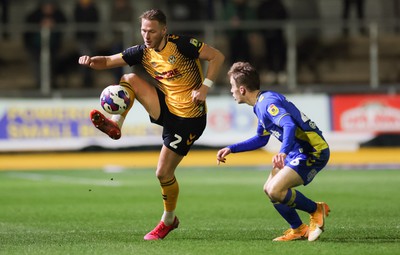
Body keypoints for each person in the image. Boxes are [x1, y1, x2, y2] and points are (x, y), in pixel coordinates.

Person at [78, 9, 225, 240]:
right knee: (129, 79)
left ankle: (169, 220)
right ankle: (116, 124)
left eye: (152, 31)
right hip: (166, 107)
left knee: (163, 173)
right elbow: (107, 61)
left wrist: (205, 87)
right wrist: (90, 61)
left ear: (164, 30)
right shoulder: (142, 52)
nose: (146, 35)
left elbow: (217, 56)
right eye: (143, 30)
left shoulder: (182, 45)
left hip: (189, 118)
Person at [216, 62, 330, 242]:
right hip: (297, 150)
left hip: (312, 151)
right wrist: (232, 148)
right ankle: (299, 229)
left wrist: (283, 152)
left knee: (276, 190)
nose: (231, 91)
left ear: (243, 89)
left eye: (232, 86)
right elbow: (261, 139)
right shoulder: (260, 104)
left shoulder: (267, 103)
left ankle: (316, 209)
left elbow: (289, 125)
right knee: (269, 190)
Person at [23, 0, 67, 88]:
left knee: (52, 64)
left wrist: (54, 24)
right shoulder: (34, 15)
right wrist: (40, 24)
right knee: (38, 65)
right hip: (35, 46)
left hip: (52, 46)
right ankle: (40, 84)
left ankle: (51, 84)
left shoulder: (58, 14)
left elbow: (64, 22)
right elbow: (27, 31)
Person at [74, 0, 99, 87]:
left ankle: (89, 80)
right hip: (81, 38)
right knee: (84, 58)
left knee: (92, 58)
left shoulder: (93, 8)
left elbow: (96, 21)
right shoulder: (77, 9)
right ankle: (85, 80)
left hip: (91, 38)